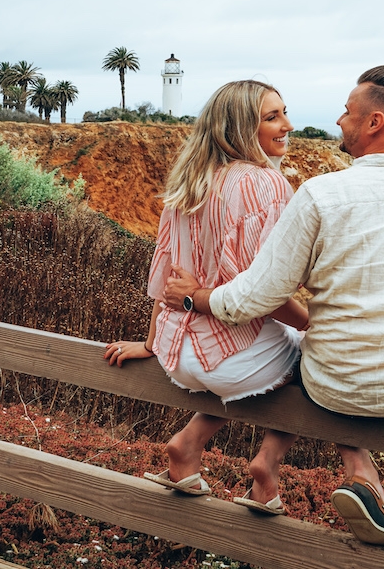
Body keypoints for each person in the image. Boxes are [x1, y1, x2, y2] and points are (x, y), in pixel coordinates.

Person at [162, 65, 384, 560]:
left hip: (334, 385)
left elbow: (252, 298)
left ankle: (362, 473)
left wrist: (196, 298)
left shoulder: (319, 196)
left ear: (375, 122)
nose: (337, 121)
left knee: (309, 364)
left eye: (347, 114)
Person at [104, 80, 309, 514]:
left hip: (177, 355)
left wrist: (150, 342)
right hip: (232, 360)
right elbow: (264, 294)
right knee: (317, 352)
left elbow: (163, 277)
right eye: (272, 117)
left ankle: (187, 445)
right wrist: (313, 325)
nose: (288, 125)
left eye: (284, 112)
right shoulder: (264, 183)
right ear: (237, 128)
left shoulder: (189, 182)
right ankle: (267, 464)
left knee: (259, 358)